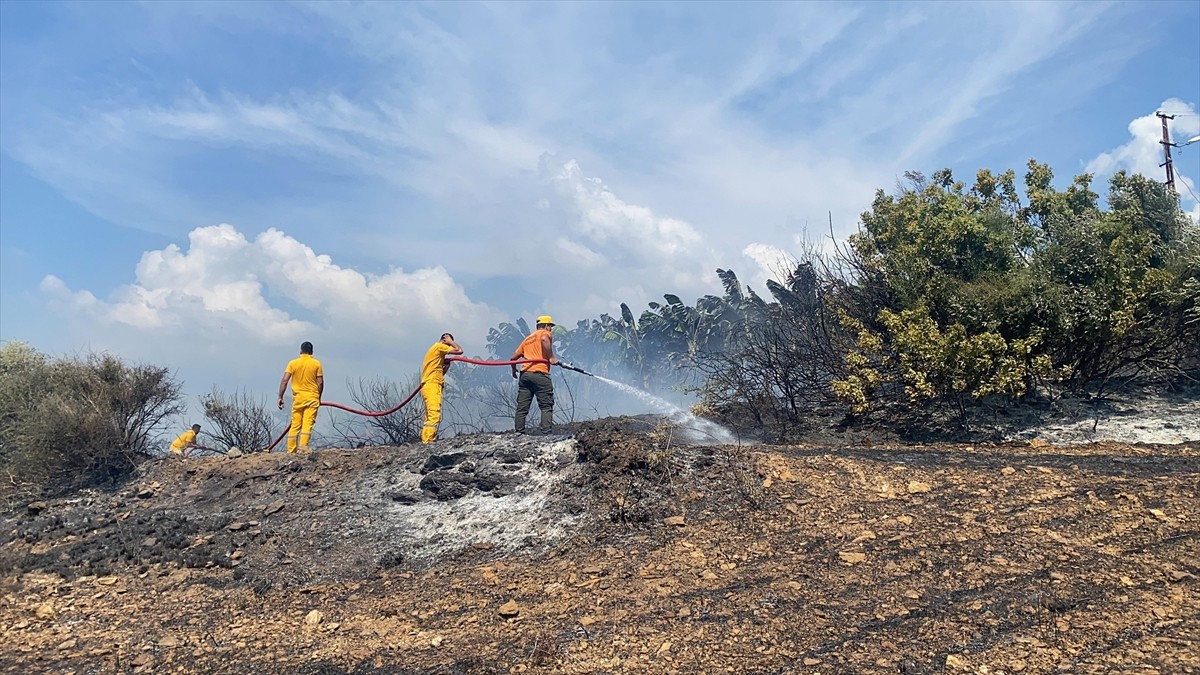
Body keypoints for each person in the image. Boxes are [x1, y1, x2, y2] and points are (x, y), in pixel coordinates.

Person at [510, 315, 559, 434]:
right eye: (550, 326)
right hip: (540, 373)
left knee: (522, 407)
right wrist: (551, 357)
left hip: (525, 375)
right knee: (546, 405)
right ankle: (546, 433)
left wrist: (513, 370)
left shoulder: (527, 339)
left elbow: (513, 358)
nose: (551, 329)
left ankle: (519, 432)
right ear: (546, 326)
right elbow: (543, 339)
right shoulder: (544, 333)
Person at [277, 341, 324, 454]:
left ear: (300, 351)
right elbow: (320, 383)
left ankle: (291, 451)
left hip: (298, 399)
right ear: (312, 352)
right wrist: (319, 397)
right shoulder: (317, 364)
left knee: (295, 425)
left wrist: (280, 397)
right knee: (307, 424)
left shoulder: (292, 363)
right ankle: (303, 449)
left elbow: (284, 380)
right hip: (312, 398)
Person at [420, 332, 464, 443]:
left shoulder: (437, 354)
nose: (448, 348)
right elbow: (459, 351)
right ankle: (428, 441)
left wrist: (446, 367)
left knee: (430, 416)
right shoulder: (439, 347)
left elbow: (439, 372)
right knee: (434, 414)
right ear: (444, 340)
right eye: (448, 345)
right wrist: (451, 342)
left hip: (431, 384)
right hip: (432, 385)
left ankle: (427, 439)